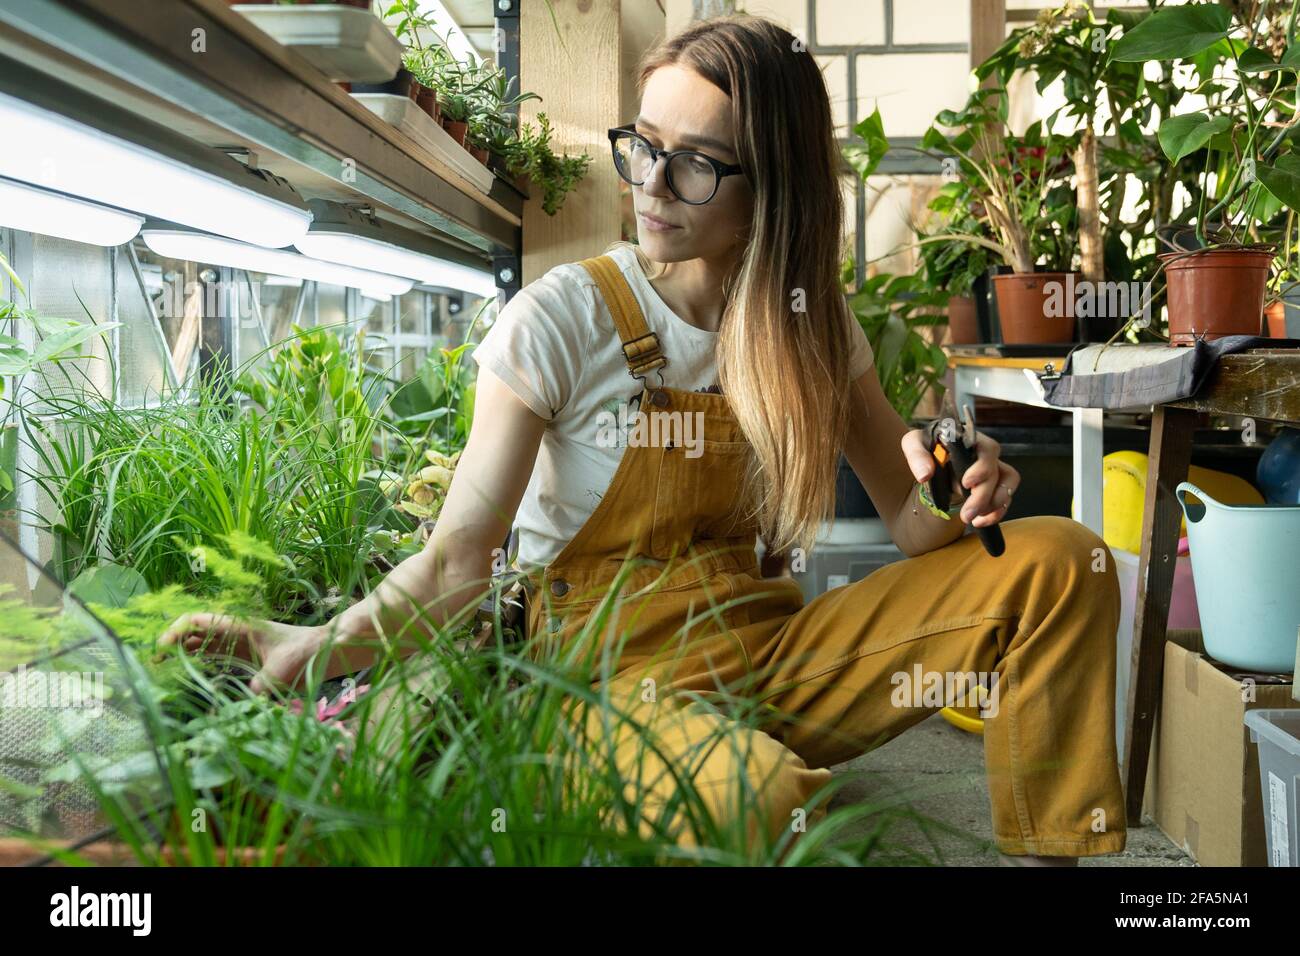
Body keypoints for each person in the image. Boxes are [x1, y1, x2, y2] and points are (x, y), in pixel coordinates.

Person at [164, 14, 1126, 866]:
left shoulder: (808, 321)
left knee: (1061, 560)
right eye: (645, 145)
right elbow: (457, 562)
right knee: (770, 806)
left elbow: (915, 527)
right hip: (596, 684)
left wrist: (961, 477)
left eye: (697, 163)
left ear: (774, 188)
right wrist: (318, 646)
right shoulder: (561, 320)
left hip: (768, 652)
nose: (652, 185)